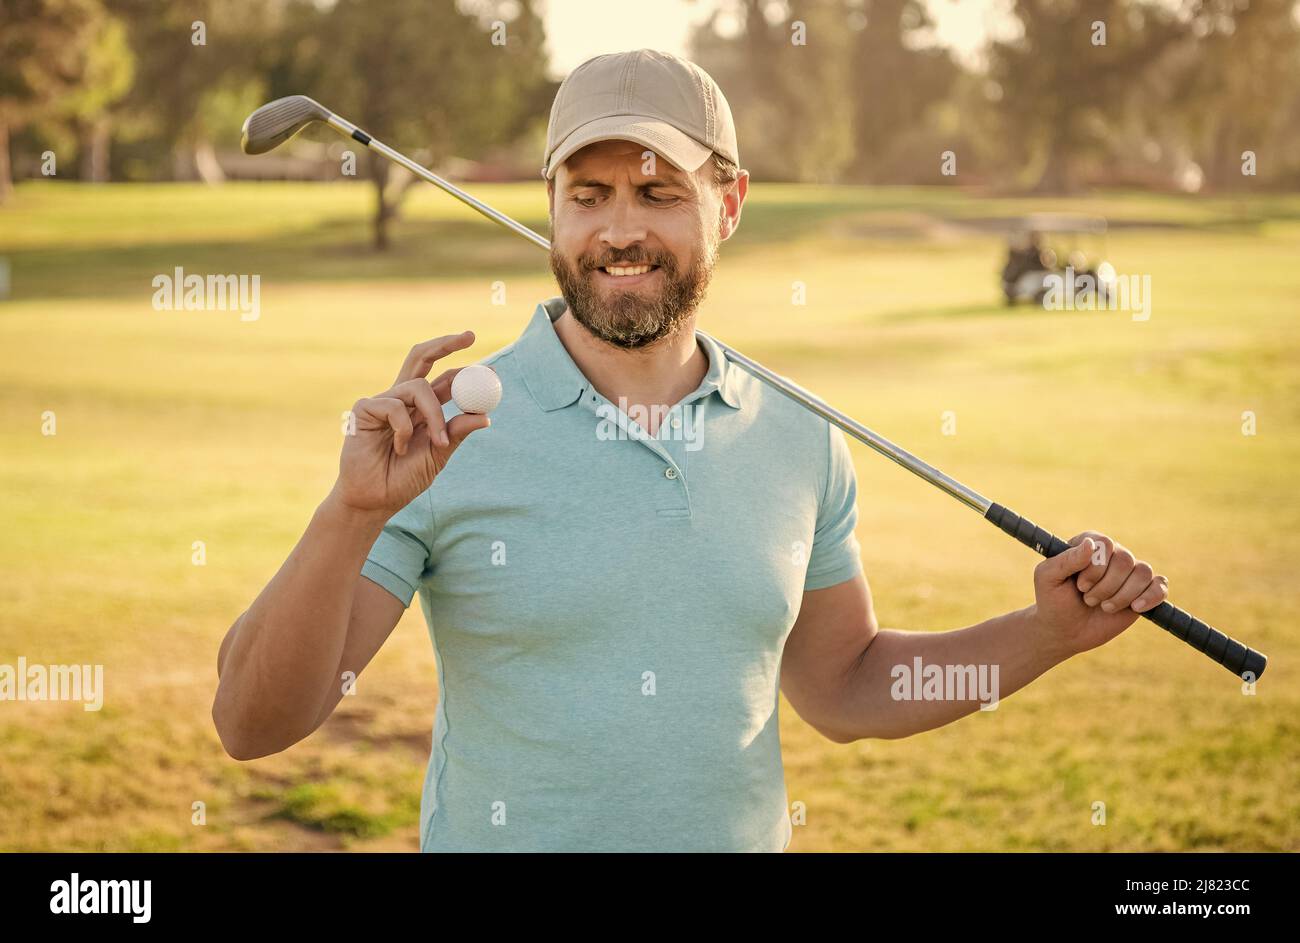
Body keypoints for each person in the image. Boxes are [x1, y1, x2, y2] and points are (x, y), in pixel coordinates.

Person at [212, 50, 1169, 852]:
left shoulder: (798, 432)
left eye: (658, 193)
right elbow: (253, 723)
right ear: (552, 204)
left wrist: (1042, 635)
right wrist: (352, 514)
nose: (620, 230)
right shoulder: (441, 432)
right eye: (589, 194)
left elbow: (844, 685)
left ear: (730, 202)